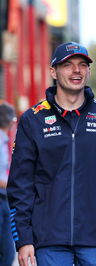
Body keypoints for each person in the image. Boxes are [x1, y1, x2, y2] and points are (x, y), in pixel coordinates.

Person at [7, 42, 96, 266]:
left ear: (89, 71)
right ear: (53, 71)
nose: (76, 71)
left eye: (83, 65)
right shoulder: (33, 119)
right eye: (68, 65)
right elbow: (21, 185)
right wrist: (23, 239)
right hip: (48, 240)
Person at [0, 101, 16, 266]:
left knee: (7, 252)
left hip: (4, 200)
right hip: (1, 198)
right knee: (6, 252)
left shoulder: (4, 140)